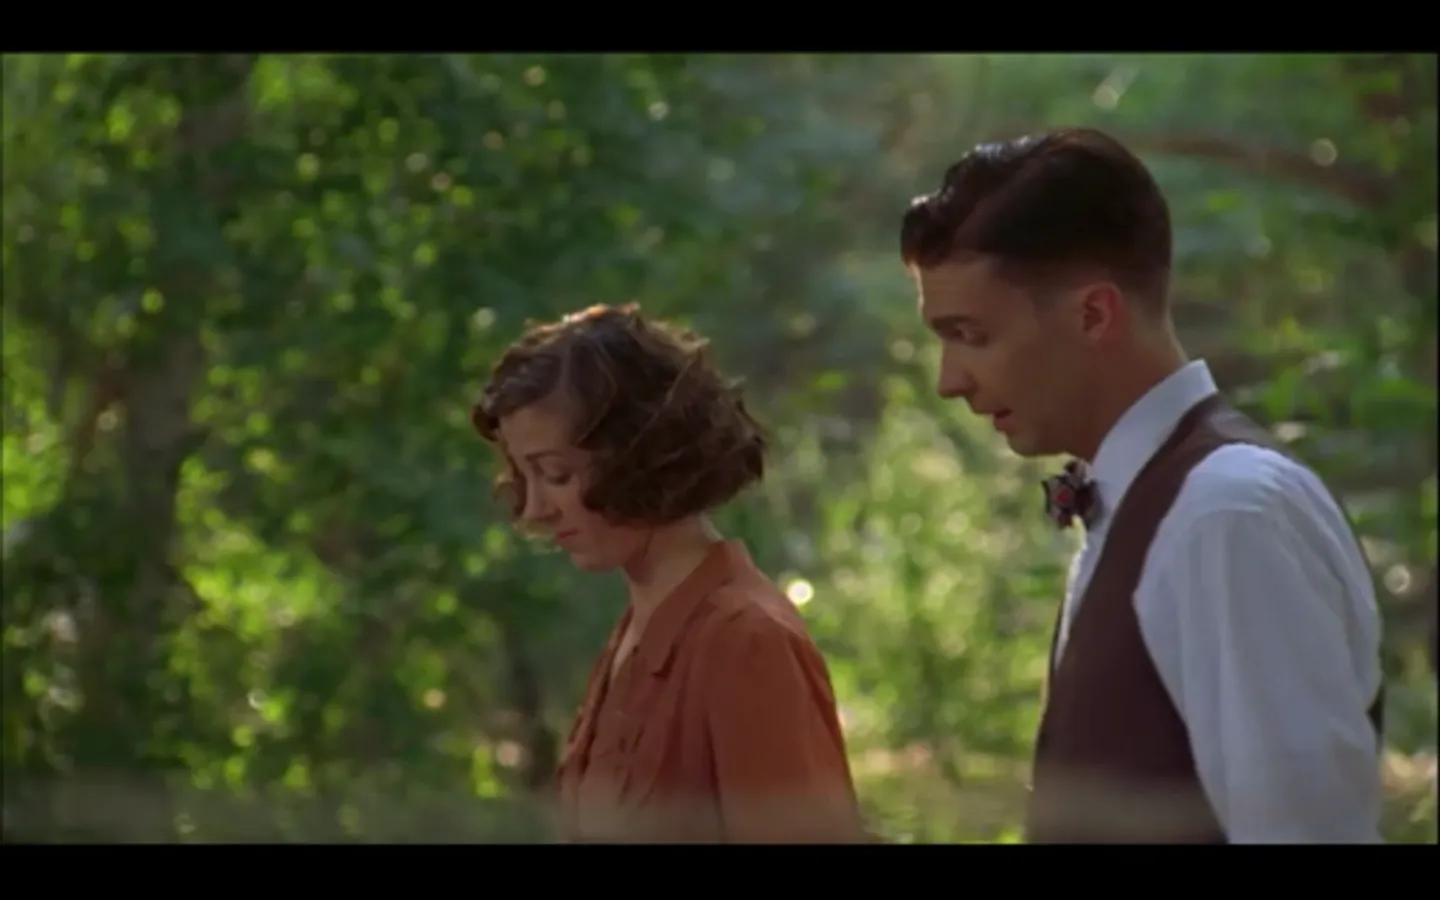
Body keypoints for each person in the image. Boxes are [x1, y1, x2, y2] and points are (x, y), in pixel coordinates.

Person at [899, 127, 1385, 843]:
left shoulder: (1227, 514)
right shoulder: (1144, 499)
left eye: (972, 335)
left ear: (1093, 314)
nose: (949, 381)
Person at [470, 303, 866, 843]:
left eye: (556, 474)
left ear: (640, 453)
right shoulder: (635, 633)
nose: (535, 509)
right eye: (524, 477)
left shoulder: (745, 640)